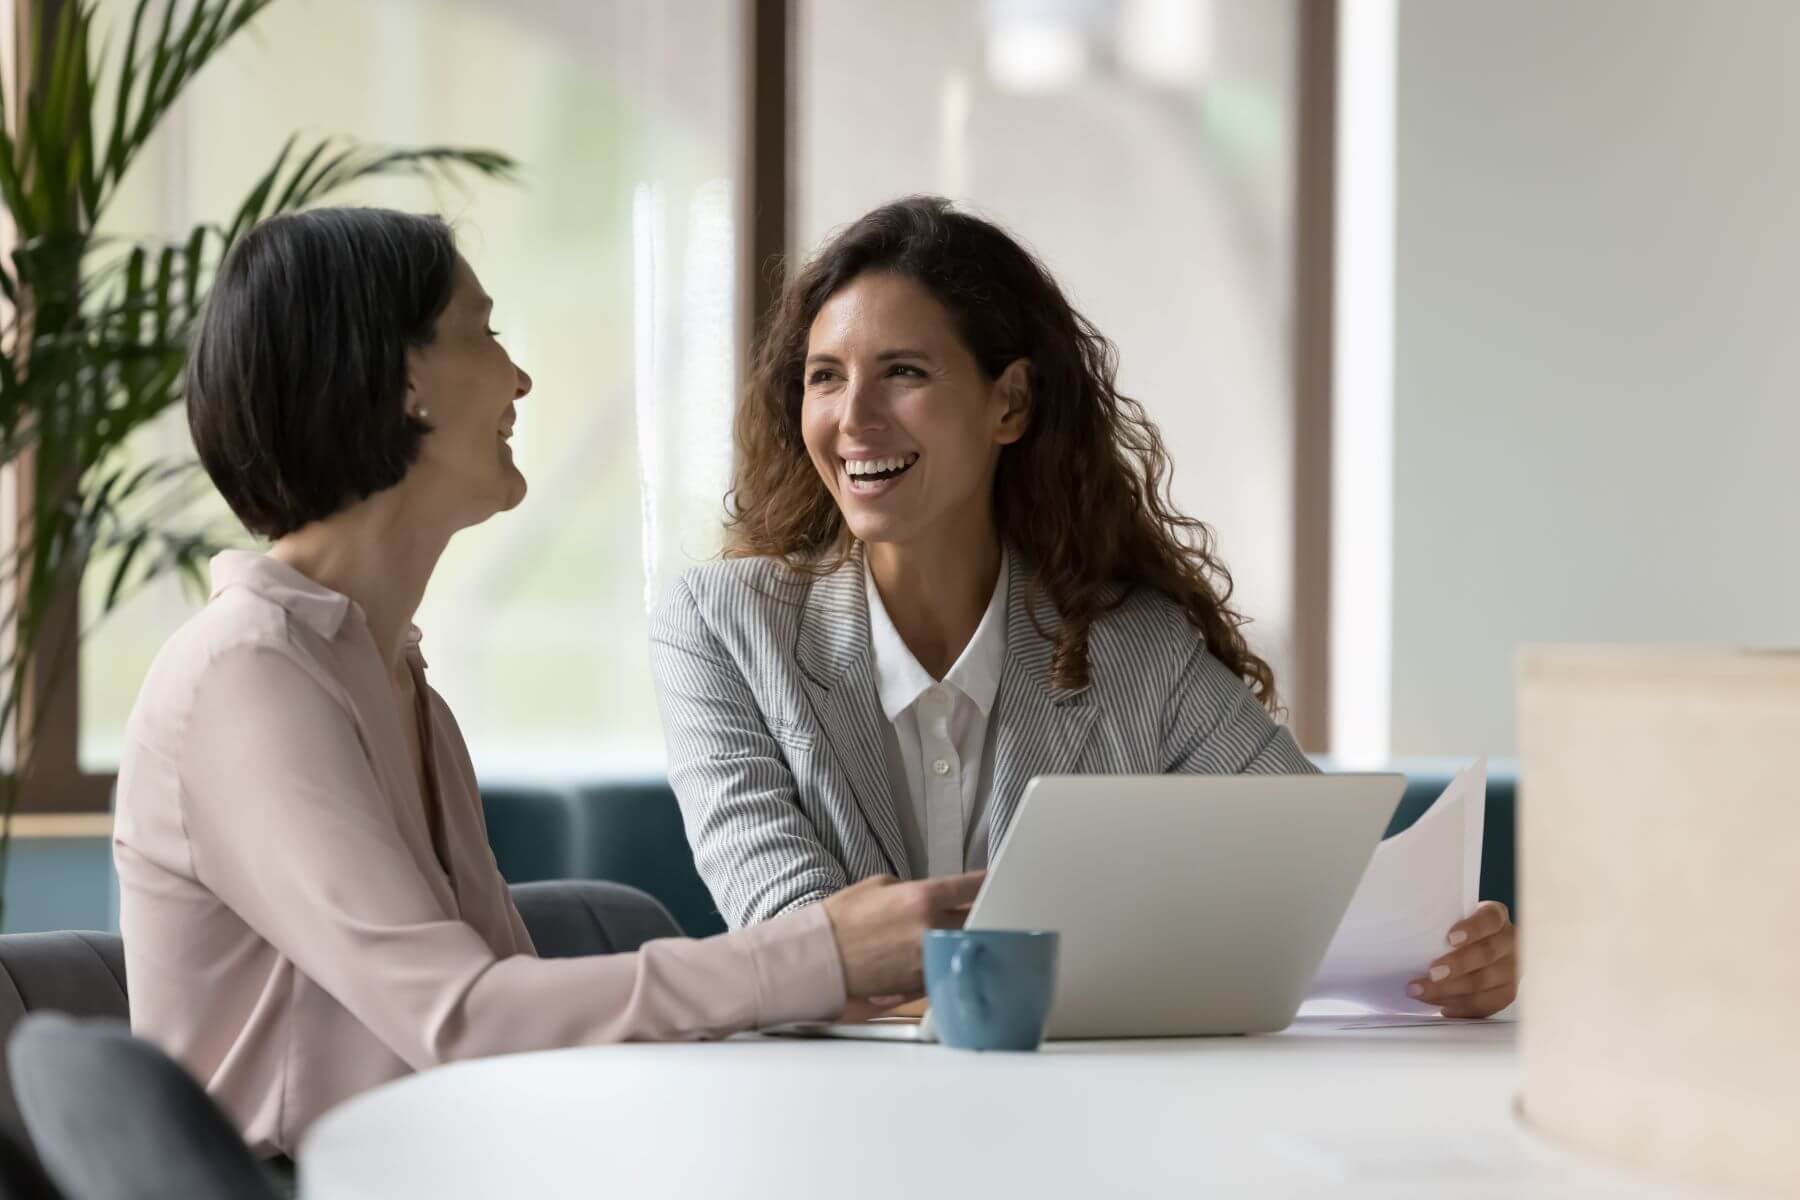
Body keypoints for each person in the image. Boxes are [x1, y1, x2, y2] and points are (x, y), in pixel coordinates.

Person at [113, 207, 981, 1161]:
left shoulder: (394, 679)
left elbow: (510, 1028)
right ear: (407, 382)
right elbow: (464, 1018)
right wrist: (821, 953)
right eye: (482, 332)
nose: (518, 376)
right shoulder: (248, 676)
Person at [651, 196, 1516, 1020]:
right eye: (824, 378)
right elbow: (792, 937)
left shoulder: (1135, 650)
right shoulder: (721, 627)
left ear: (1011, 404)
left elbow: (1321, 887)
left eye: (903, 373)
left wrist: (1451, 960)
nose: (853, 419)